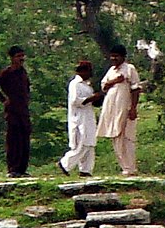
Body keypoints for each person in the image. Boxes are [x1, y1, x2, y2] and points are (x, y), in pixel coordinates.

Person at [97, 43, 144, 176]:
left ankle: (131, 168)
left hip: (125, 106)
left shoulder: (129, 69)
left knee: (126, 136)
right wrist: (114, 81)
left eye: (116, 56)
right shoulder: (111, 71)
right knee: (115, 136)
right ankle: (124, 167)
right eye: (112, 56)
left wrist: (133, 108)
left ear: (123, 57)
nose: (113, 59)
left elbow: (136, 89)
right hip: (112, 107)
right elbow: (104, 87)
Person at [0, 46, 32, 178]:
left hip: (23, 110)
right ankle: (13, 168)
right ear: (12, 58)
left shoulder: (22, 72)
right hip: (13, 111)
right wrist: (4, 100)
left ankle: (22, 169)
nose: (21, 59)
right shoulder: (7, 72)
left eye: (22, 56)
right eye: (18, 56)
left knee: (25, 140)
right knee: (14, 140)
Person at [57, 60, 102, 176]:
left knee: (90, 144)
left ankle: (86, 170)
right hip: (79, 118)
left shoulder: (87, 85)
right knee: (82, 144)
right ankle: (65, 163)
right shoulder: (75, 84)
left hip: (88, 117)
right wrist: (92, 98)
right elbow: (75, 101)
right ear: (82, 71)